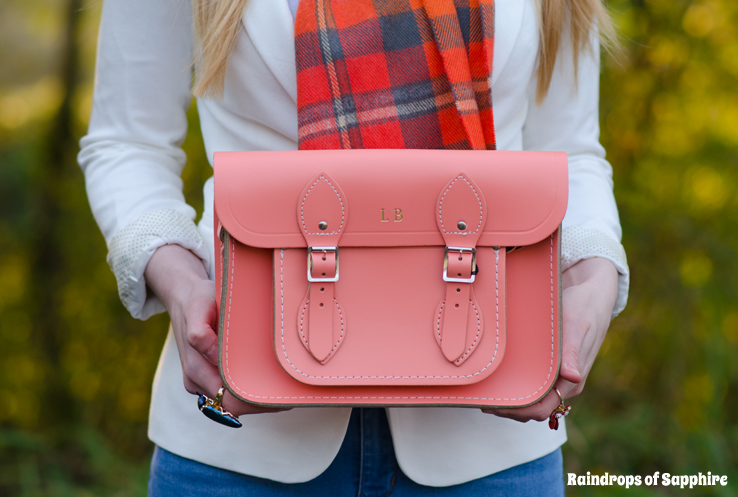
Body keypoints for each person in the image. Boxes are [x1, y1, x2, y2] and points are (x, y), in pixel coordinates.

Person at [78, 0, 629, 495]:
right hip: (241, 441)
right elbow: (128, 144)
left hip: (491, 440)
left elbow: (572, 153)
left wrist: (594, 279)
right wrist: (182, 285)